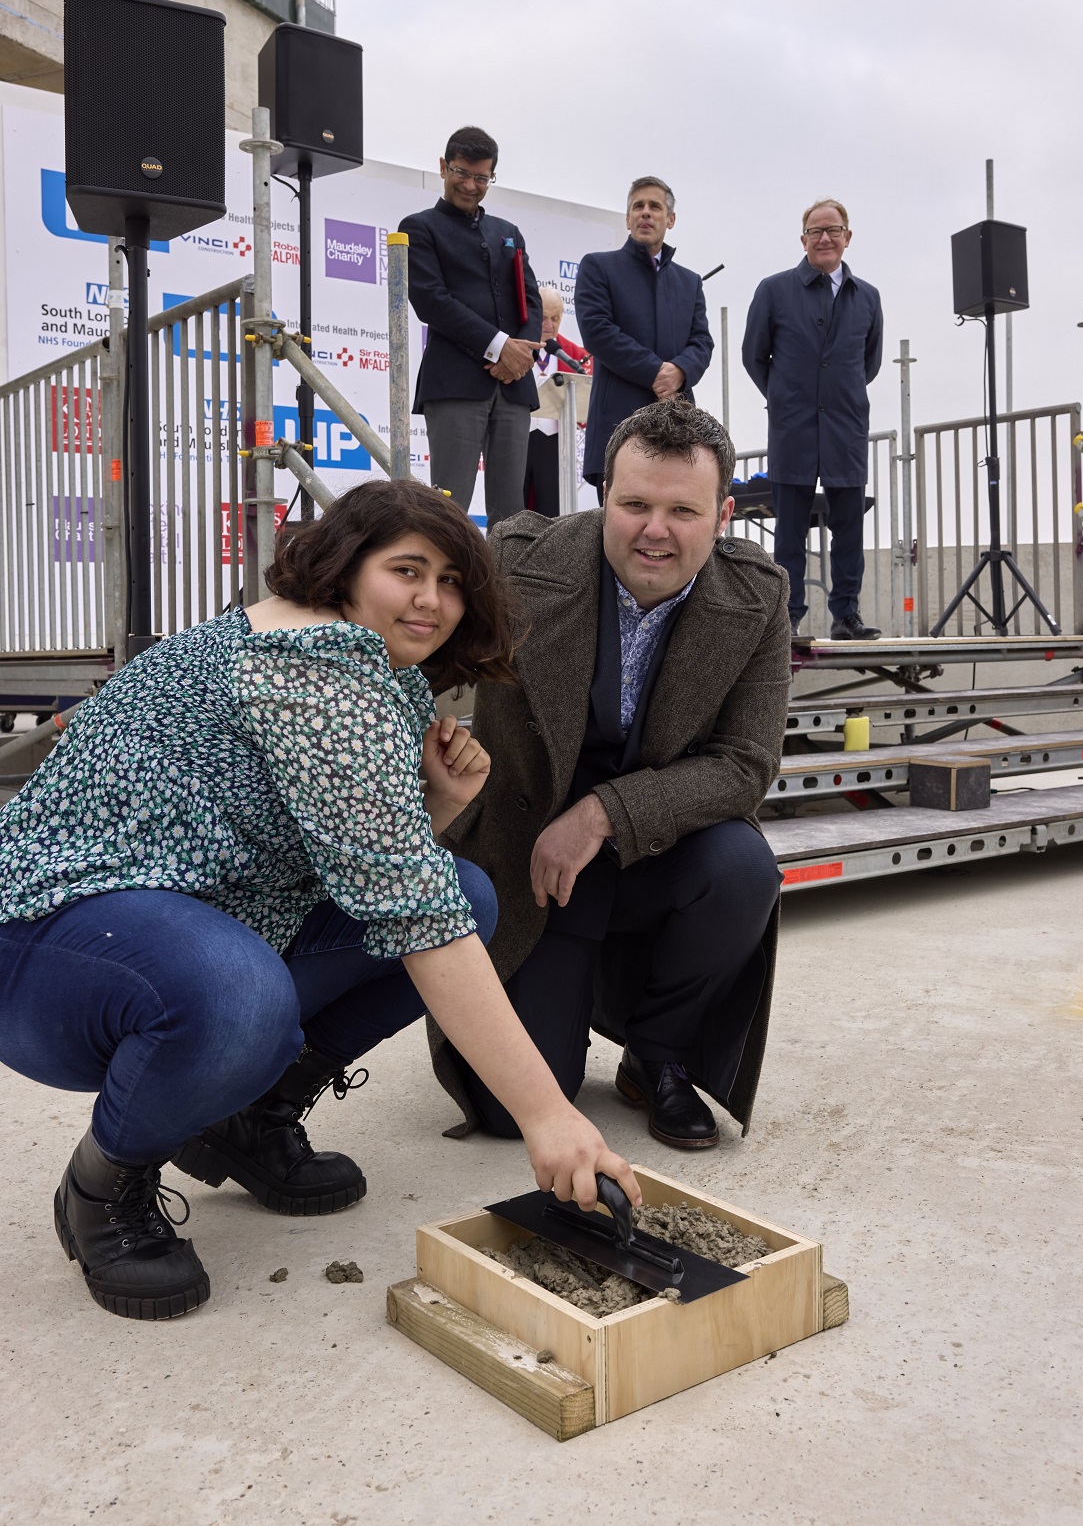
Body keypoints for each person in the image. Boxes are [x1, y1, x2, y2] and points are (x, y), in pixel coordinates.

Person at [0, 480, 638, 1322]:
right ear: (343, 568)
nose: (433, 599)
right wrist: (547, 1116)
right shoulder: (314, 675)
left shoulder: (370, 670)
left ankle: (245, 1114)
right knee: (239, 990)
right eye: (406, 569)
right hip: (49, 944)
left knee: (464, 894)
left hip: (186, 919)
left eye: (452, 580)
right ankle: (101, 1185)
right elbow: (413, 919)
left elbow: (386, 876)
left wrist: (438, 805)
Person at [439, 400, 790, 1152]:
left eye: (681, 510)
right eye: (634, 503)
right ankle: (559, 1002)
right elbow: (420, 658)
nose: (653, 530)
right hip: (531, 866)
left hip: (652, 859)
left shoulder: (758, 595)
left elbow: (746, 764)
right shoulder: (518, 558)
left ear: (724, 513)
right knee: (510, 1116)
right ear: (604, 493)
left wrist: (602, 813)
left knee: (742, 865)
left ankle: (659, 1054)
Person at [742, 198, 884, 641]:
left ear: (848, 237)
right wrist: (785, 397)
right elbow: (753, 356)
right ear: (803, 239)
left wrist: (838, 394)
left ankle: (847, 614)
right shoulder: (774, 290)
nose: (825, 238)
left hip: (845, 427)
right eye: (815, 231)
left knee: (848, 527)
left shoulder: (868, 297)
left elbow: (870, 362)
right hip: (794, 427)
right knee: (789, 531)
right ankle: (787, 616)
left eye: (833, 230)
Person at [402, 125, 542, 528]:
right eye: (462, 172)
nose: (471, 185)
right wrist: (500, 347)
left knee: (512, 512)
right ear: (444, 167)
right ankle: (445, 586)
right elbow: (432, 301)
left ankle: (507, 588)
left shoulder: (508, 233)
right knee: (448, 506)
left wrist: (521, 353)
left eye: (482, 177)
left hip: (514, 386)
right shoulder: (419, 227)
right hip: (454, 382)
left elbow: (530, 299)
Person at [574, 177, 713, 487]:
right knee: (619, 530)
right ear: (627, 218)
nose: (645, 213)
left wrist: (680, 371)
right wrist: (656, 371)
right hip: (618, 423)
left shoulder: (690, 282)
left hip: (678, 425)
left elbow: (702, 342)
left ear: (671, 219)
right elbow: (597, 331)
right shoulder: (599, 266)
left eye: (655, 206)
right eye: (638, 206)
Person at [525, 286, 592, 517]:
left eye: (555, 318)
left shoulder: (574, 353)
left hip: (554, 441)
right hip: (519, 437)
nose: (549, 325)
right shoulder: (516, 346)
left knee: (552, 513)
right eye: (543, 318)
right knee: (514, 508)